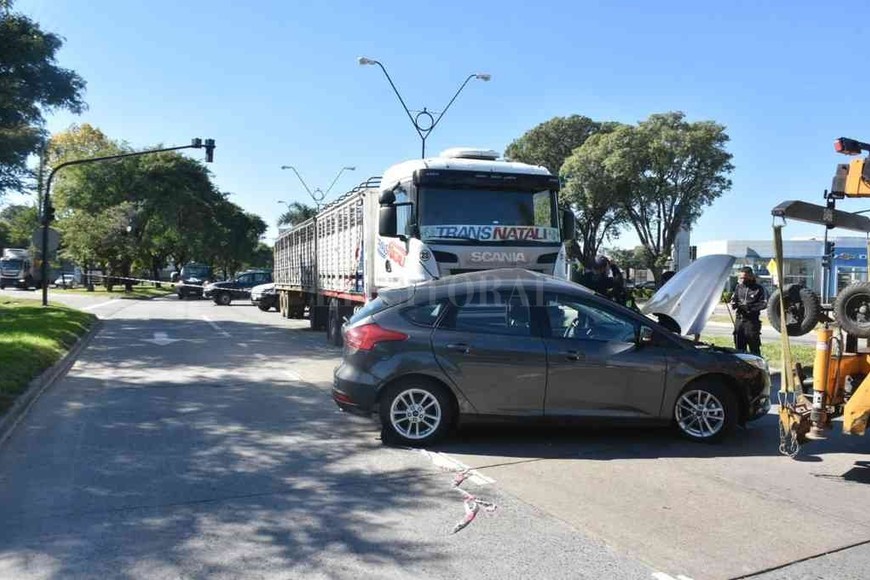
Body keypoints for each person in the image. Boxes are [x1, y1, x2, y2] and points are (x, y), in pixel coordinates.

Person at [729, 267, 766, 356]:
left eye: (745, 278)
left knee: (754, 349)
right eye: (741, 278)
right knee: (739, 349)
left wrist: (749, 308)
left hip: (751, 322)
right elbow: (734, 299)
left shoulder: (758, 288)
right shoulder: (739, 287)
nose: (743, 280)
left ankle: (756, 364)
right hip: (739, 321)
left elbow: (763, 304)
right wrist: (733, 303)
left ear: (751, 276)